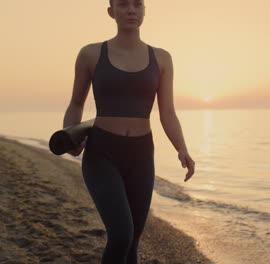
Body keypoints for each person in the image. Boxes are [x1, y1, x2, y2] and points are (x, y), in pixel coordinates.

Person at [62, 0, 195, 263]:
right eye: (123, 4)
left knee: (133, 240)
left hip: (141, 154)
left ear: (145, 11)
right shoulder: (90, 54)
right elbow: (76, 103)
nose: (131, 10)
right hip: (102, 153)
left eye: (138, 4)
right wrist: (69, 135)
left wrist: (182, 148)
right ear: (111, 12)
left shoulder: (162, 58)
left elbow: (167, 112)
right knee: (121, 233)